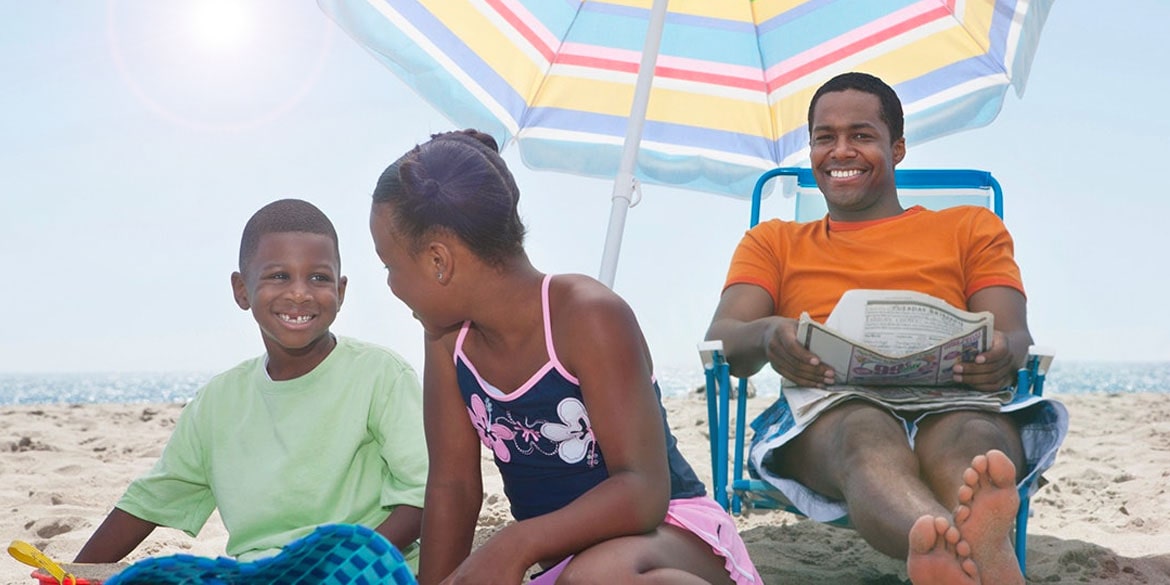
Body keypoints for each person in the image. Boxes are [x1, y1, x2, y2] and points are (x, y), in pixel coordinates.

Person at [704, 72, 1067, 585]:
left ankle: (950, 554)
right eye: (824, 137)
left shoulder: (969, 228)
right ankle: (974, 555)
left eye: (861, 135)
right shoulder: (775, 242)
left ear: (897, 148)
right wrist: (766, 335)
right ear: (810, 148)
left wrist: (1001, 355)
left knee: (974, 441)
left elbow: (1015, 337)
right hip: (829, 409)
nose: (841, 151)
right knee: (863, 432)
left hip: (953, 399)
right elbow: (724, 341)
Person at [369, 130, 763, 585]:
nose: (391, 285)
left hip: (671, 534)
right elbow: (452, 487)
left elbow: (644, 491)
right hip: (566, 560)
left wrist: (515, 542)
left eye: (389, 266)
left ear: (439, 261)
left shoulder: (586, 316)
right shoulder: (446, 340)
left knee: (597, 574)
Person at [74, 198, 429, 572]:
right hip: (260, 574)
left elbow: (422, 494)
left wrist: (340, 568)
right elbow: (152, 498)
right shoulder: (218, 401)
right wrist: (71, 571)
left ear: (340, 291)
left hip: (361, 570)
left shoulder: (379, 374)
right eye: (279, 276)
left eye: (319, 277)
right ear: (242, 290)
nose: (299, 293)